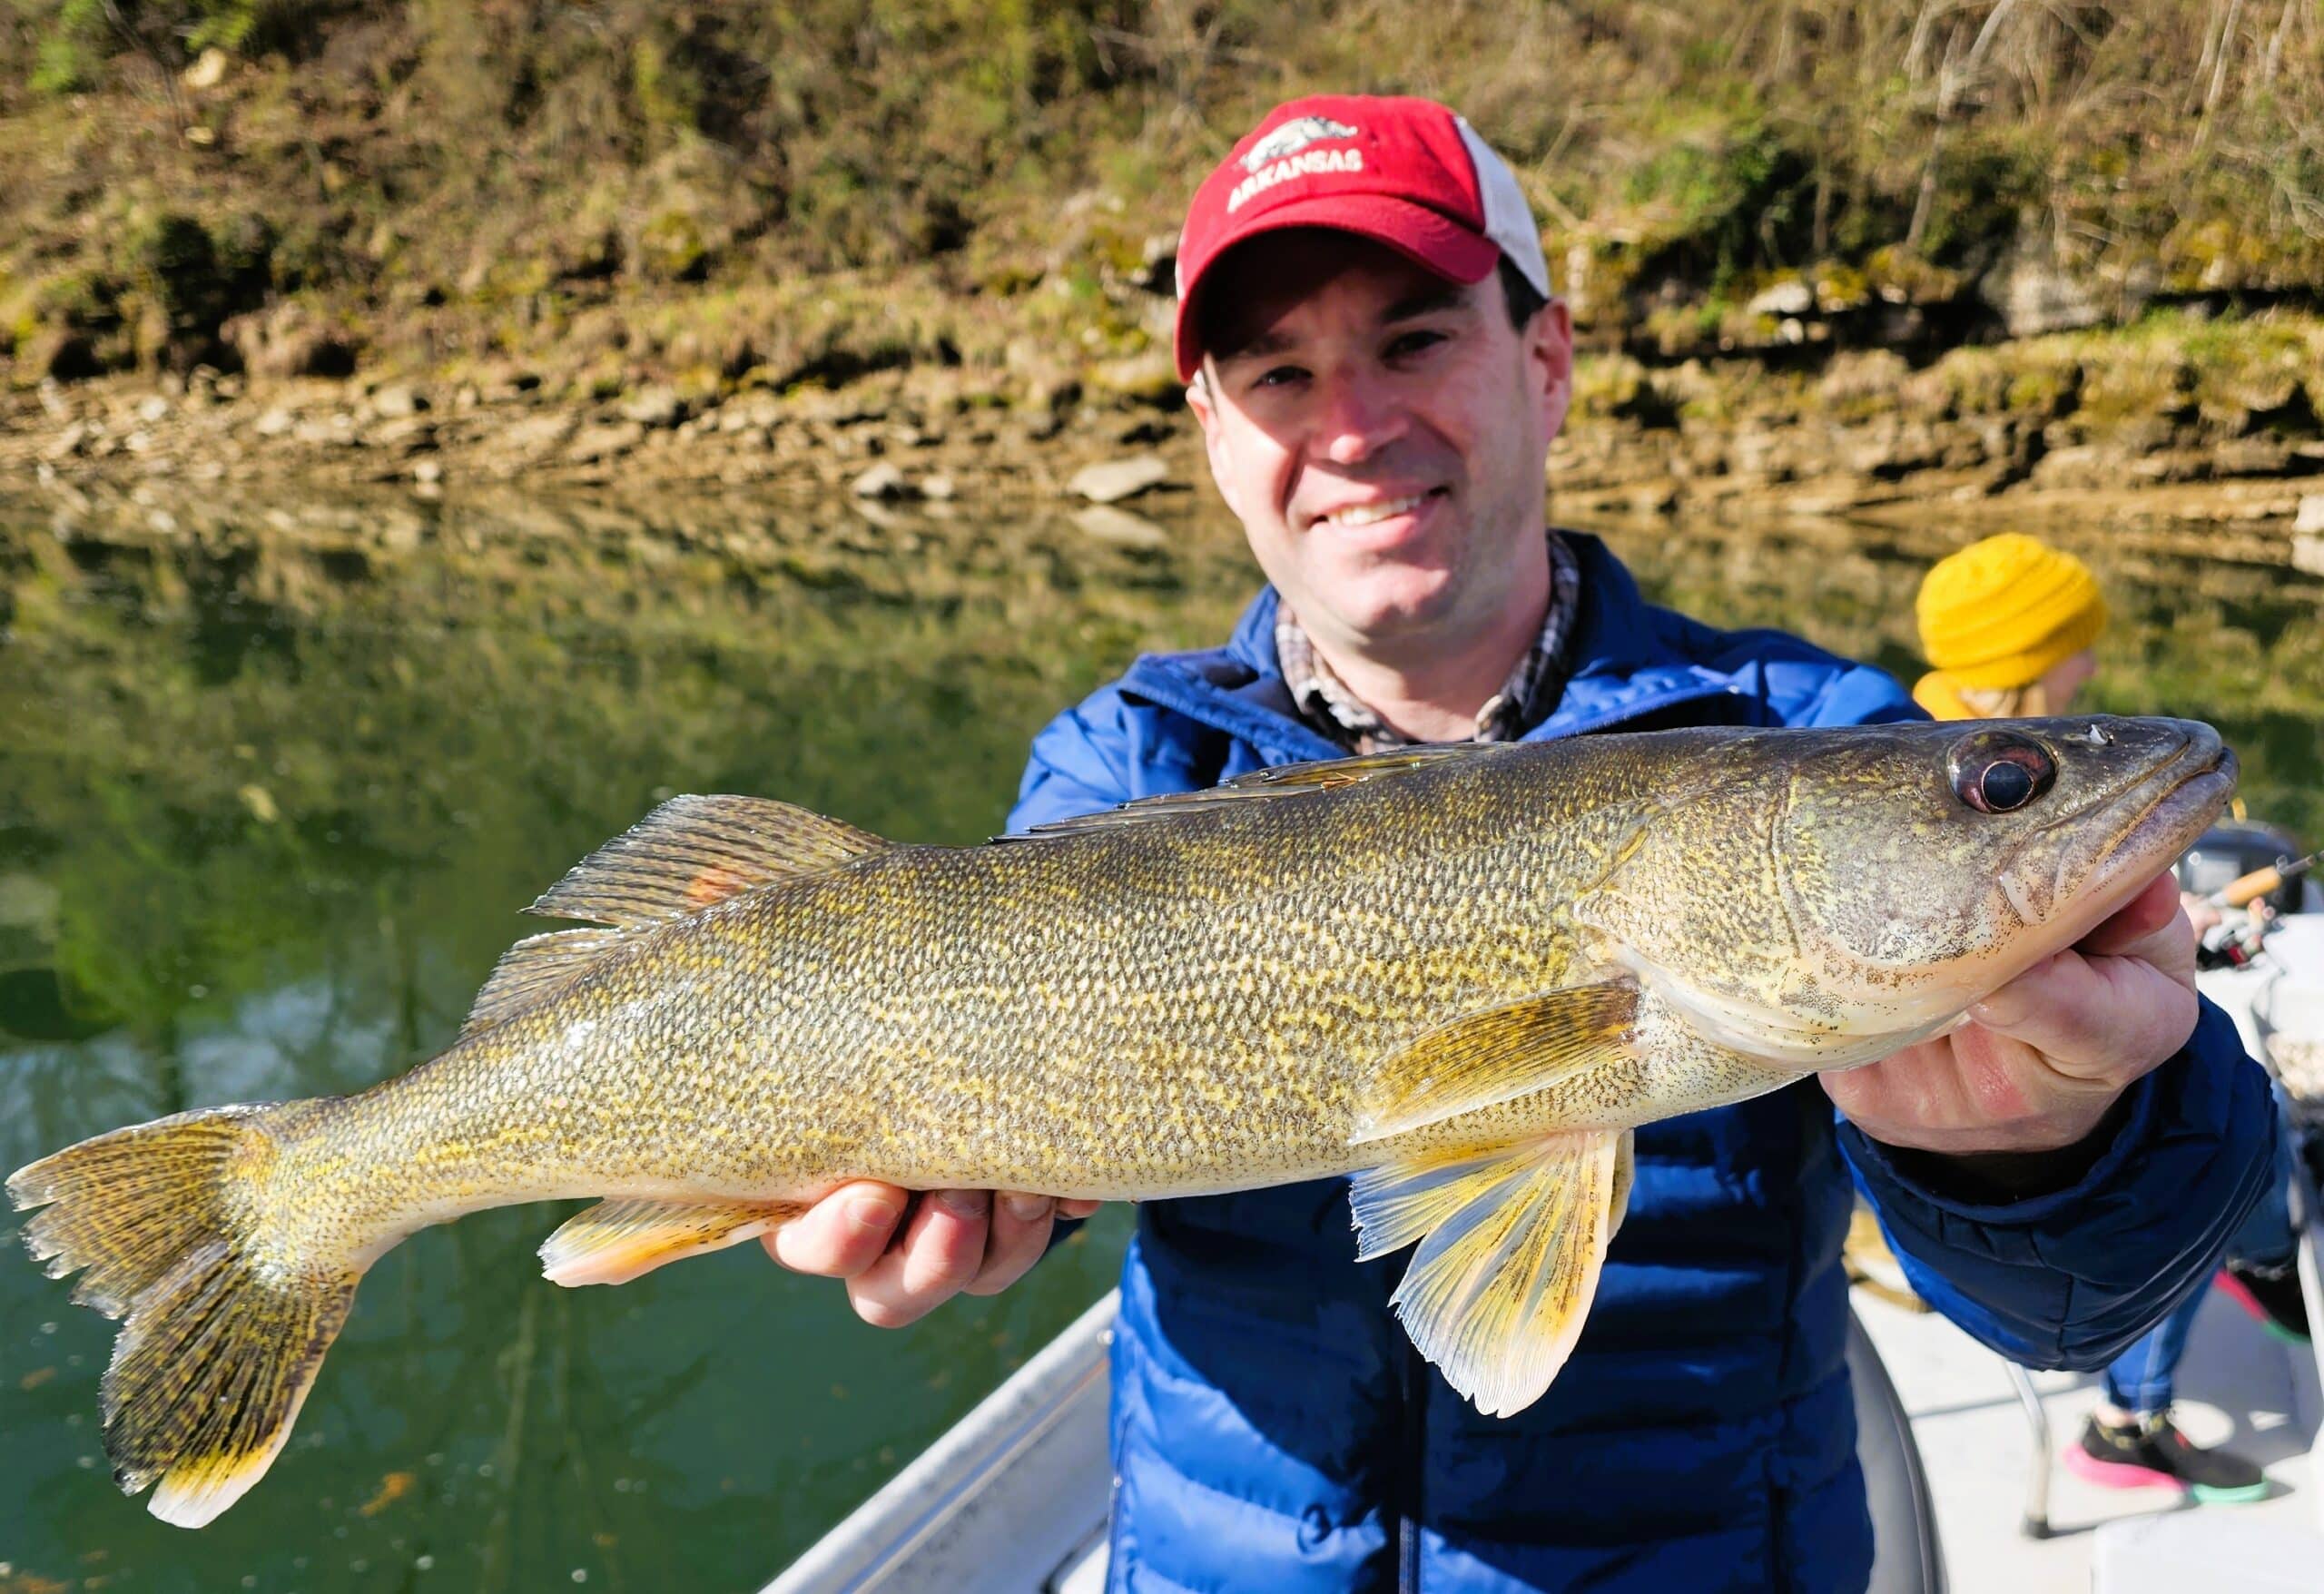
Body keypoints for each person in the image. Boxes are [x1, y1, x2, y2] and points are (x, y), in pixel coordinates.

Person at [767, 95, 2281, 1590]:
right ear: (1214, 433)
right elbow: (1004, 1136)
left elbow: (2079, 1302)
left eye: (1415, 341)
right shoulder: (1128, 762)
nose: (1352, 426)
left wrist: (2065, 1148)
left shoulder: (1806, 722)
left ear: (1546, 362)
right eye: (1279, 372)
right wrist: (979, 1219)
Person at [1915, 534, 2310, 1504]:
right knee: (2186, 1139)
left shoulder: (1920, 753)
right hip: (2003, 1183)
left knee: (2239, 1127)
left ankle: (2257, 1260)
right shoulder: (1973, 789)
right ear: (2018, 666)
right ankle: (2126, 1421)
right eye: (2071, 646)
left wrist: (2188, 915)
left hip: (2001, 1203)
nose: (2089, 664)